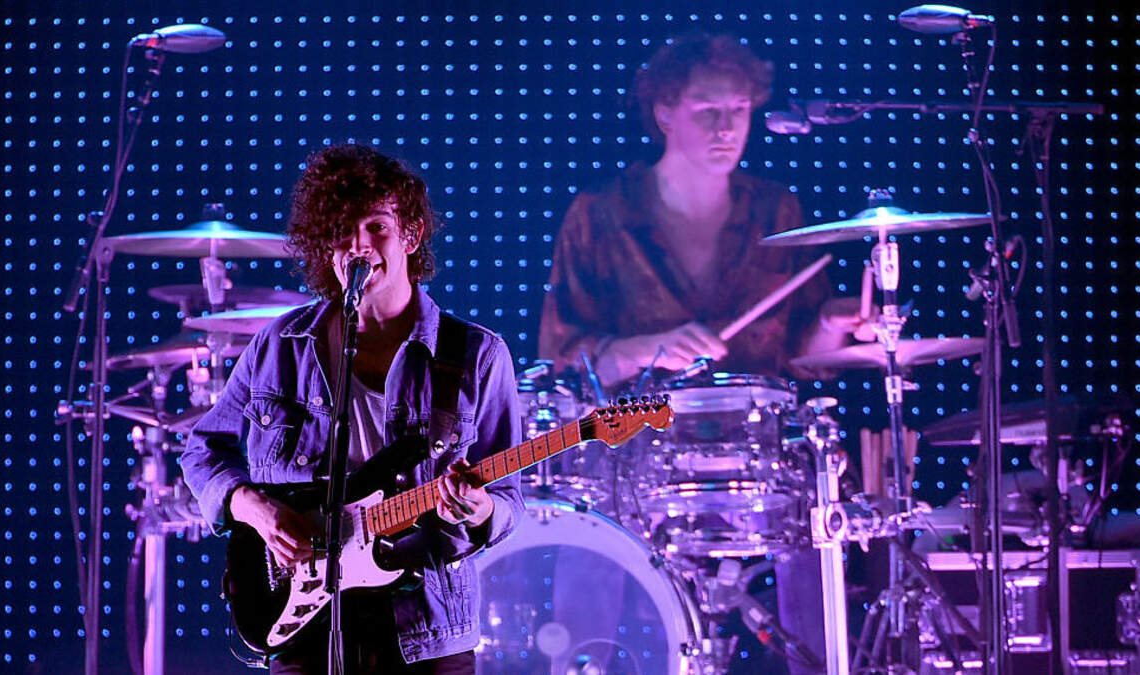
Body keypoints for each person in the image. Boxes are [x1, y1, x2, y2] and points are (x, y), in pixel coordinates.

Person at [538, 34, 868, 674]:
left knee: (815, 499)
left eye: (739, 110)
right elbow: (562, 359)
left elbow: (806, 355)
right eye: (707, 110)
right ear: (664, 112)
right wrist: (642, 349)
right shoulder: (600, 213)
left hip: (757, 449)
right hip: (634, 446)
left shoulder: (777, 209)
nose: (727, 128)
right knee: (590, 519)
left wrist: (835, 324)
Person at [181, 143, 524, 674]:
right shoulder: (281, 345)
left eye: (377, 227)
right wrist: (254, 508)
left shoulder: (476, 354)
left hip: (426, 625)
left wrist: (477, 509)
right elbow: (203, 450)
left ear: (411, 235)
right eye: (342, 230)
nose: (359, 245)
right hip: (302, 621)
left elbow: (506, 500)